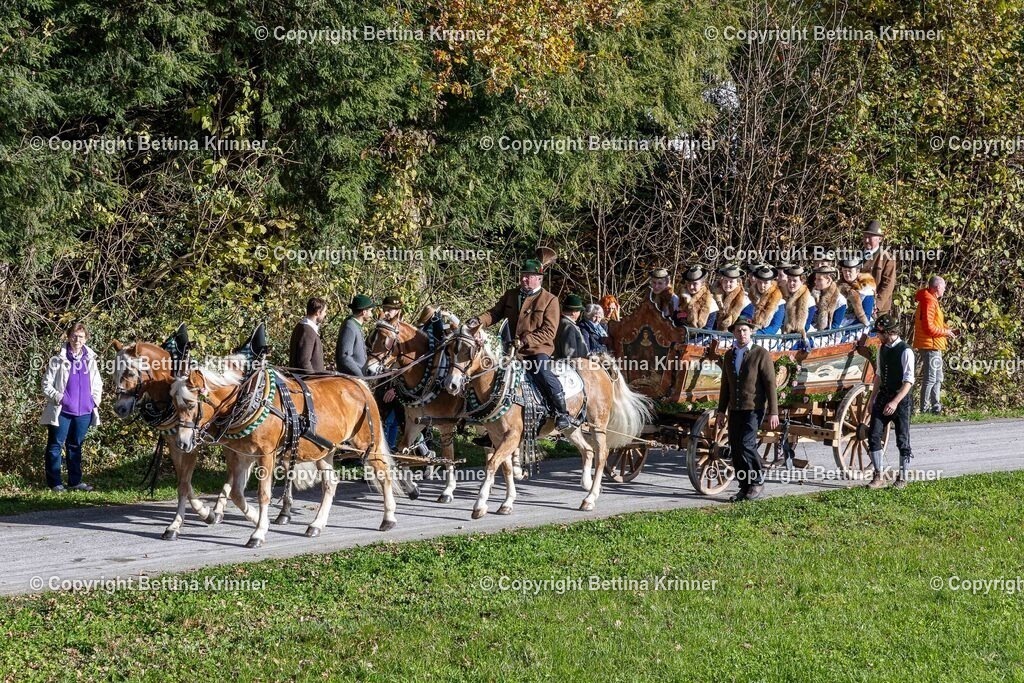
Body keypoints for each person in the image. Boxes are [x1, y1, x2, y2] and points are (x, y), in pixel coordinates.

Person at [467, 258, 569, 430]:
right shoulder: (511, 295)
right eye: (522, 275)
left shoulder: (550, 300)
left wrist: (525, 341)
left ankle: (561, 412)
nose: (523, 279)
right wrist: (477, 320)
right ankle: (491, 421)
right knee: (492, 377)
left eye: (528, 276)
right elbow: (494, 313)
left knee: (542, 372)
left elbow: (549, 331)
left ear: (539, 278)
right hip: (511, 351)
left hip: (537, 350)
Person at [716, 316, 780, 502]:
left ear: (750, 331)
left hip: (754, 408)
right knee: (736, 448)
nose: (741, 334)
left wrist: (773, 411)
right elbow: (725, 385)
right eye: (738, 330)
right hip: (735, 408)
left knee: (746, 444)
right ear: (734, 333)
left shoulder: (761, 353)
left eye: (744, 330)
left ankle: (757, 481)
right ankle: (744, 486)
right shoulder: (730, 355)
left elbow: (770, 384)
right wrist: (721, 410)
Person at [40, 322, 103, 492]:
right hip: (62, 411)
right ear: (68, 337)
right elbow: (45, 384)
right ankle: (55, 483)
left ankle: (75, 482)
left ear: (86, 338)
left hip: (84, 411)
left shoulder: (90, 358)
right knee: (55, 446)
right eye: (74, 336)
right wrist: (60, 398)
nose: (77, 339)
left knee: (75, 446)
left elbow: (97, 383)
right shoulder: (58, 359)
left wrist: (94, 401)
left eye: (81, 336)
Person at [867, 314, 915, 489]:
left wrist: (895, 402)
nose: (878, 337)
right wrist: (873, 398)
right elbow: (879, 375)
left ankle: (902, 477)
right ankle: (879, 475)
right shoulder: (882, 349)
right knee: (873, 435)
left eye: (879, 334)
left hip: (900, 400)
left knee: (902, 439)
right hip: (883, 396)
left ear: (888, 332)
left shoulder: (906, 351)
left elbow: (908, 381)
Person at [913, 276, 956, 414]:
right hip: (930, 345)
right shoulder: (929, 301)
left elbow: (934, 323)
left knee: (938, 378)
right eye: (943, 287)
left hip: (934, 344)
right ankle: (925, 409)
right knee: (931, 378)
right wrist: (945, 332)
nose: (945, 289)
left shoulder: (931, 300)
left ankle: (935, 407)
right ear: (937, 287)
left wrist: (947, 330)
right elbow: (928, 328)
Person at [376, 295, 406, 448]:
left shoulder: (403, 332)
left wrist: (395, 388)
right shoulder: (382, 327)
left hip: (398, 385)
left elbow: (406, 365)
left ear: (398, 311)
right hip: (383, 381)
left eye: (390, 310)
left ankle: (390, 449)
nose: (386, 312)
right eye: (385, 309)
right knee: (385, 418)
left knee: (394, 420)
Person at [861, 220, 897, 316]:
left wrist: (877, 305)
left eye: (870, 237)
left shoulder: (887, 258)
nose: (866, 240)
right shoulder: (856, 255)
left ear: (880, 239)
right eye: (865, 236)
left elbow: (888, 284)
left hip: (877, 310)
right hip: (857, 306)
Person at [335, 294, 376, 376]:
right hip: (352, 378)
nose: (371, 314)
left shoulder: (355, 325)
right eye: (370, 311)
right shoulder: (350, 327)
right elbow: (345, 357)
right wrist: (360, 376)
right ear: (364, 312)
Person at [288, 297, 327, 374]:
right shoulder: (307, 331)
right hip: (309, 383)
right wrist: (313, 379)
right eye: (324, 312)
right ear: (318, 312)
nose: (325, 314)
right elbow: (304, 362)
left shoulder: (302, 326)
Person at [713, 264, 755, 332]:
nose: (727, 284)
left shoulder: (746, 301)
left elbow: (745, 324)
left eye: (731, 281)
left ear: (738, 283)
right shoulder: (716, 298)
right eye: (725, 281)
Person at [838, 257, 876, 327]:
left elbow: (866, 316)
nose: (847, 273)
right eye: (844, 270)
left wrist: (847, 329)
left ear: (857, 271)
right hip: (841, 322)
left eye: (850, 271)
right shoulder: (839, 287)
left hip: (859, 325)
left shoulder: (866, 289)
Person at [808, 265, 848, 332]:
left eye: (819, 279)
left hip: (829, 335)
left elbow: (835, 325)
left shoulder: (840, 300)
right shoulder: (814, 296)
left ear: (828, 280)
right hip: (813, 330)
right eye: (815, 279)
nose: (815, 282)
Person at [679, 265, 719, 329]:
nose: (691, 287)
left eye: (695, 284)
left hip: (702, 338)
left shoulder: (711, 304)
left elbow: (708, 330)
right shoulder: (681, 298)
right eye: (689, 283)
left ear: (702, 284)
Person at [750, 265, 785, 334]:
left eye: (766, 283)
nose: (762, 285)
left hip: (769, 338)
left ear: (771, 283)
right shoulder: (751, 298)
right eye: (760, 282)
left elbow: (774, 327)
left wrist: (755, 334)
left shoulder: (779, 303)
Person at [781, 265, 814, 334]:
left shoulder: (809, 300)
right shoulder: (784, 297)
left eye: (795, 281)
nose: (791, 283)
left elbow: (806, 326)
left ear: (802, 281)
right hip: (784, 334)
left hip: (801, 336)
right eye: (789, 280)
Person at [555, 294, 589, 360]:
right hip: (572, 366)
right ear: (574, 312)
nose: (579, 313)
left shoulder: (560, 322)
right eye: (579, 311)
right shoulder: (569, 327)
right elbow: (570, 354)